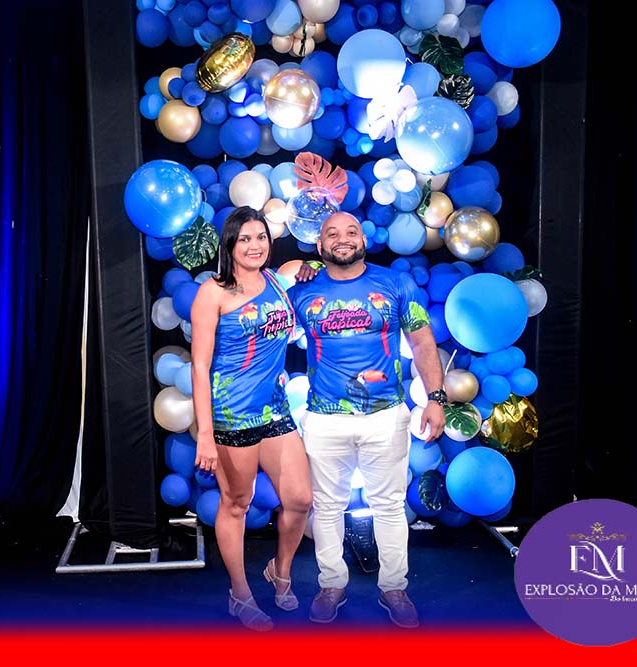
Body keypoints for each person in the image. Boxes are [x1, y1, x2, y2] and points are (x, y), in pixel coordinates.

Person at [288, 211, 447, 628]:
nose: (342, 239)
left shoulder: (395, 283)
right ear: (320, 245)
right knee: (327, 507)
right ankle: (331, 585)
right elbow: (269, 333)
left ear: (363, 239)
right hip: (325, 418)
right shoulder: (302, 291)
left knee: (389, 506)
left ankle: (394, 587)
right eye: (332, 233)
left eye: (351, 231)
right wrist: (296, 270)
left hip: (385, 415)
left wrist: (436, 398)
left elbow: (422, 342)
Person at [190, 206, 314, 632]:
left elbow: (310, 265)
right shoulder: (213, 293)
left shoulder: (279, 280)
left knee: (300, 500)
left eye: (261, 237)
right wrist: (205, 435)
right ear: (230, 244)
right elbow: (199, 367)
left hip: (275, 409)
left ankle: (280, 570)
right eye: (244, 238)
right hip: (232, 416)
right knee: (237, 504)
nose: (254, 245)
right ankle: (239, 594)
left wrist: (312, 267)